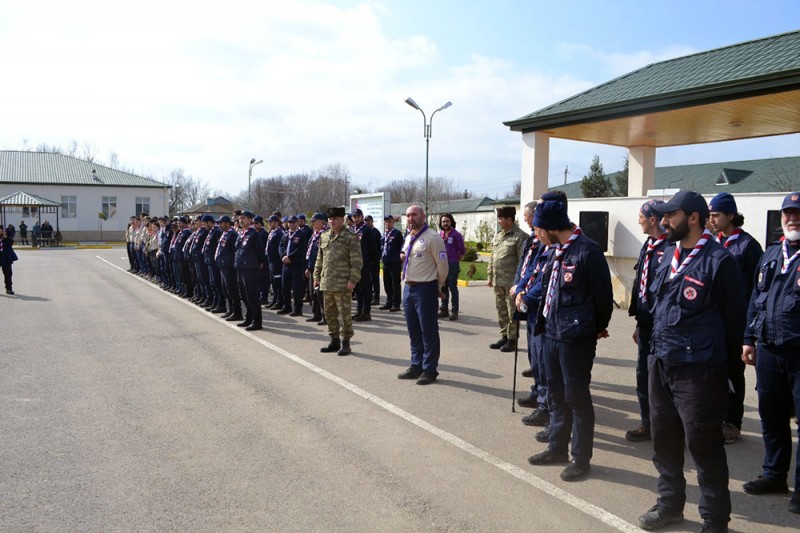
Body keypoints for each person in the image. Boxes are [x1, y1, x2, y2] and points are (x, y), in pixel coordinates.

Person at [637, 190, 745, 532]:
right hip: (661, 362)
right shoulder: (668, 253)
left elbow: (735, 323)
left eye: (671, 215)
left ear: (694, 218)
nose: (664, 221)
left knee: (704, 446)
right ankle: (669, 505)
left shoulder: (720, 262)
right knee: (664, 440)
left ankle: (714, 521)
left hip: (699, 371)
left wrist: (724, 372)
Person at [526, 199, 613, 483]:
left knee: (577, 398)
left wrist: (595, 328)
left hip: (575, 338)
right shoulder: (556, 251)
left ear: (550, 228)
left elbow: (603, 298)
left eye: (538, 229)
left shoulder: (587, 252)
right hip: (551, 332)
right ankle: (557, 448)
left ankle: (580, 459)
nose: (537, 235)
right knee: (556, 394)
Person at [741, 191, 800, 515]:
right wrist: (749, 338)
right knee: (772, 416)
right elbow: (755, 299)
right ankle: (775, 475)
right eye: (787, 213)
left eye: (798, 213)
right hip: (769, 350)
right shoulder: (771, 254)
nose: (793, 218)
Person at [708, 192, 764, 445]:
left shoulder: (748, 246)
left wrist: (750, 328)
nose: (712, 220)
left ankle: (732, 423)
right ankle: (714, 418)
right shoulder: (712, 242)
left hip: (736, 323)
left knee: (733, 372)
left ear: (731, 215)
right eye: (710, 215)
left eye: (717, 215)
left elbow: (757, 288)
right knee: (712, 372)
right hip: (712, 321)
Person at [625, 199, 668, 443]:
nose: (638, 221)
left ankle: (668, 427)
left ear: (653, 220)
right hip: (645, 322)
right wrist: (638, 322)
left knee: (663, 377)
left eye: (641, 217)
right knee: (644, 375)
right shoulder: (648, 245)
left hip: (663, 325)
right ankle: (647, 422)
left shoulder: (671, 248)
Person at [397, 205, 448, 385]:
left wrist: (438, 286)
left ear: (423, 217)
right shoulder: (409, 237)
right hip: (408, 288)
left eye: (414, 215)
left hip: (425, 289)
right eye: (408, 215)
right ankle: (416, 365)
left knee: (428, 331)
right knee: (413, 331)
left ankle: (429, 369)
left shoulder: (433, 238)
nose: (411, 218)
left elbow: (443, 266)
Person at [511, 200, 546, 427]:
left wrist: (525, 294)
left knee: (541, 357)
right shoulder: (532, 239)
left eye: (527, 215)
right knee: (533, 353)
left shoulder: (545, 241)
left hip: (537, 303)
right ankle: (537, 392)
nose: (524, 219)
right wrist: (518, 287)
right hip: (526, 299)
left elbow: (541, 275)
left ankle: (545, 402)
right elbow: (525, 267)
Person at [313, 207, 363, 356]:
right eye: (330, 219)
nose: (332, 221)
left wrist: (353, 280)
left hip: (342, 283)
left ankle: (345, 342)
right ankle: (334, 340)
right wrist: (316, 277)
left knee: (344, 315)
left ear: (342, 219)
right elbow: (319, 259)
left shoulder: (350, 237)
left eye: (335, 219)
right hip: (327, 282)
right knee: (329, 314)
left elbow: (357, 262)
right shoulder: (324, 236)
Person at [487, 206, 528, 352]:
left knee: (512, 312)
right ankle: (504, 336)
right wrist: (490, 275)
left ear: (509, 220)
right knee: (501, 310)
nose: (499, 221)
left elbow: (523, 261)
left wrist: (519, 284)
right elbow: (493, 257)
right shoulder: (498, 236)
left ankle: (512, 339)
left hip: (511, 283)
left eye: (501, 218)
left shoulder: (520, 237)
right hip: (498, 281)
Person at [234, 211, 267, 331]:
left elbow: (261, 252)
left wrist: (259, 263)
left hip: (250, 269)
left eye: (243, 218)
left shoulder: (254, 234)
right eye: (239, 218)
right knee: (244, 295)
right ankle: (249, 317)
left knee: (252, 296)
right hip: (241, 268)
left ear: (249, 220)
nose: (241, 220)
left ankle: (257, 321)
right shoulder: (241, 233)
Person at [351, 209, 379, 321]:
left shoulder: (367, 230)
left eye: (358, 216)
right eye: (354, 217)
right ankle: (359, 310)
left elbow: (373, 247)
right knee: (357, 288)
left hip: (364, 263)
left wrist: (373, 262)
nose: (356, 219)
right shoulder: (351, 229)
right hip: (354, 263)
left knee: (365, 288)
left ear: (362, 217)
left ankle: (366, 312)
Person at [279, 215, 308, 316]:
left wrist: (290, 257)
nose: (291, 224)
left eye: (293, 222)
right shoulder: (285, 234)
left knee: (296, 287)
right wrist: (283, 256)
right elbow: (281, 246)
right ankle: (286, 306)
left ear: (297, 223)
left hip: (296, 264)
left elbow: (301, 249)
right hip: (285, 264)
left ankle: (297, 309)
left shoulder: (301, 234)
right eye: (289, 222)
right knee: (285, 286)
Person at [439, 213, 466, 321]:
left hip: (452, 264)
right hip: (441, 264)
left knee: (452, 287)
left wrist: (456, 260)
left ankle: (454, 311)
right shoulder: (439, 235)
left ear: (451, 222)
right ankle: (444, 309)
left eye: (447, 221)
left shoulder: (456, 235)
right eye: (443, 221)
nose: (445, 223)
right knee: (443, 287)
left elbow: (462, 251)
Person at [215, 215, 242, 321]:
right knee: (225, 289)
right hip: (223, 265)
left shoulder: (232, 234)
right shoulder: (224, 234)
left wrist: (232, 263)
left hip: (229, 266)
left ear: (227, 223)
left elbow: (235, 250)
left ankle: (237, 312)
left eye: (221, 223)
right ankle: (231, 310)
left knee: (232, 289)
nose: (219, 225)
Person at [305, 212, 329, 324]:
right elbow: (310, 252)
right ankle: (316, 314)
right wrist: (308, 267)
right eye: (312, 221)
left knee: (321, 293)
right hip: (312, 267)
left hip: (321, 268)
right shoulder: (314, 234)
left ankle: (325, 316)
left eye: (315, 221)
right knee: (313, 293)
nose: (313, 223)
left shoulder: (326, 234)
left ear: (322, 222)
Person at [380, 215, 404, 312]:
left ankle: (396, 304)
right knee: (387, 283)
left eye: (389, 221)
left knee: (395, 283)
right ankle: (389, 302)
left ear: (393, 222)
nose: (388, 223)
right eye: (386, 221)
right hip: (386, 261)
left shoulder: (397, 233)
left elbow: (401, 246)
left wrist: (400, 258)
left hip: (395, 262)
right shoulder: (384, 234)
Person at [266, 215, 285, 310]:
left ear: (276, 222)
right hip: (270, 260)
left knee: (278, 282)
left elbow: (280, 247)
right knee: (273, 282)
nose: (269, 224)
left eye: (271, 222)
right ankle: (275, 300)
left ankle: (279, 301)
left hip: (276, 261)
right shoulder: (272, 232)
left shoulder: (279, 233)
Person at [365, 215, 382, 305]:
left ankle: (376, 298)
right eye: (366, 220)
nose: (367, 222)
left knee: (375, 280)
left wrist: (376, 258)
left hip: (374, 260)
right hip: (367, 260)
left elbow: (379, 247)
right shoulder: (365, 231)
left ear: (372, 221)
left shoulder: (376, 232)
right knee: (368, 280)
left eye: (368, 220)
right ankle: (370, 296)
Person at [0, 226, 18, 294]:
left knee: (8, 274)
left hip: (6, 257)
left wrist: (6, 237)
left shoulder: (7, 235)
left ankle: (9, 289)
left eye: (1, 230)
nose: (1, 231)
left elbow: (11, 243)